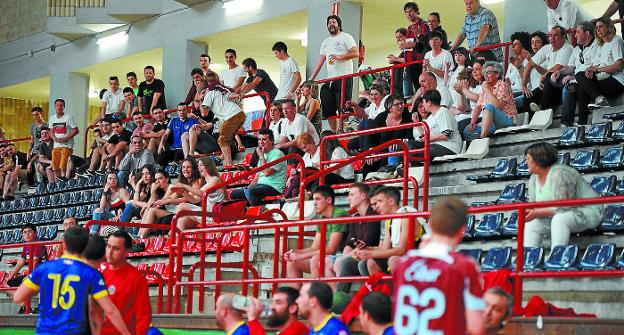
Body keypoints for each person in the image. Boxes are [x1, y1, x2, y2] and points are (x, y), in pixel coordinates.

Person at [13, 227, 131, 335]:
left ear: (64, 246)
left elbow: (18, 297)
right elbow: (109, 310)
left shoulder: (45, 268)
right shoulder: (90, 273)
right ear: (85, 248)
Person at [392, 196, 484, 335]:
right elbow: (476, 327)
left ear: (431, 225)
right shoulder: (464, 266)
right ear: (462, 230)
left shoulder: (403, 264)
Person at [524, 142, 603, 248]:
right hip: (554, 214)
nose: (526, 162)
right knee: (531, 223)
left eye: (529, 159)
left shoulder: (559, 173)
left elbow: (564, 207)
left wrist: (538, 212)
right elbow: (533, 204)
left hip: (586, 211)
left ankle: (556, 258)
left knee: (560, 219)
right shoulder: (534, 178)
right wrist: (529, 212)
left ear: (539, 160)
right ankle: (527, 259)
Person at [284, 185, 349, 287]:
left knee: (315, 259)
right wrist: (296, 252)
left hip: (341, 257)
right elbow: (315, 247)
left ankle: (317, 296)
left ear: (328, 200)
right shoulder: (322, 217)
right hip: (329, 257)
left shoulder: (339, 215)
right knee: (292, 261)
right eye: (314, 199)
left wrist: (303, 255)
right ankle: (294, 300)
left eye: (317, 199)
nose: (314, 203)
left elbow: (332, 249)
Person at [352, 186, 422, 275]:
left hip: (420, 257)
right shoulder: (389, 220)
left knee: (393, 260)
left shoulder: (406, 217)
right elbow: (385, 248)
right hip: (402, 256)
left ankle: (399, 288)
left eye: (379, 202)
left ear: (391, 201)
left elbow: (401, 250)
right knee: (371, 262)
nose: (375, 207)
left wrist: (371, 254)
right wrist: (366, 250)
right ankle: (379, 289)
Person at [309, 15, 359, 133]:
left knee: (343, 107)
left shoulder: (346, 37)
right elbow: (320, 61)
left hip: (344, 77)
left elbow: (355, 52)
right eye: (329, 22)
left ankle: (343, 130)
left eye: (333, 22)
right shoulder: (325, 42)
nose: (331, 24)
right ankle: (334, 131)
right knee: (327, 105)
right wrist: (310, 79)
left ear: (339, 24)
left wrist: (340, 57)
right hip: (330, 79)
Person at [332, 183, 381, 293]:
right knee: (339, 261)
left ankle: (343, 301)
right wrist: (345, 256)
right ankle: (339, 302)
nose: (348, 198)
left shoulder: (373, 214)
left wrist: (345, 258)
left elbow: (367, 242)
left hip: (371, 253)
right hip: (360, 254)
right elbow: (350, 243)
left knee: (346, 262)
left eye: (352, 194)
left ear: (363, 196)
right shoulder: (355, 217)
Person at [101, 230, 151, 335]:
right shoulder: (100, 274)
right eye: (108, 246)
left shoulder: (136, 278)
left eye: (116, 248)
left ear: (127, 251)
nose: (110, 252)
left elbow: (143, 316)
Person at [552, 21, 599, 126]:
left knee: (568, 89)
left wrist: (573, 77)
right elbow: (570, 67)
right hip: (577, 79)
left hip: (590, 78)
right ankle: (567, 124)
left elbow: (595, 67)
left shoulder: (597, 45)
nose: (575, 35)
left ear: (587, 34)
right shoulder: (577, 49)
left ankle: (566, 123)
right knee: (554, 81)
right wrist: (559, 72)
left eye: (578, 32)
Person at [575, 17, 624, 114]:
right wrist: (590, 70)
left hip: (617, 79)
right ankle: (582, 124)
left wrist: (597, 70)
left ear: (608, 27)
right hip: (602, 77)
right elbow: (596, 65)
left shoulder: (616, 40)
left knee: (583, 88)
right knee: (580, 75)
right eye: (596, 28)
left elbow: (619, 65)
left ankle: (600, 100)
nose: (598, 30)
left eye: (601, 26)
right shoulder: (600, 45)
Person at [523, 25, 574, 113]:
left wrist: (544, 76)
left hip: (561, 83)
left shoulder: (568, 48)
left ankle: (543, 108)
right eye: (550, 35)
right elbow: (529, 65)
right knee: (528, 97)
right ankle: (530, 124)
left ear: (563, 37)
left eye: (555, 35)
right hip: (548, 84)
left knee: (550, 75)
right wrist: (523, 85)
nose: (552, 38)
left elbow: (558, 67)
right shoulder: (547, 48)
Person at [201, 73, 247, 166]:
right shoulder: (223, 90)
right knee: (227, 139)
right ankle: (224, 160)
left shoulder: (209, 94)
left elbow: (204, 114)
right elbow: (232, 96)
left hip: (231, 116)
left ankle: (229, 165)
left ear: (207, 82)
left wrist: (201, 99)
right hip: (240, 114)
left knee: (222, 140)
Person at [230, 129, 286, 206]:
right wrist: (247, 188)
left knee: (251, 191)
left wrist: (262, 157)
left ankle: (258, 214)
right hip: (260, 185)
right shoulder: (262, 154)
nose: (261, 142)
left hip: (274, 187)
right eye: (259, 139)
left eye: (264, 139)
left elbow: (266, 173)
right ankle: (249, 212)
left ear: (271, 141)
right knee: (234, 194)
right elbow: (257, 177)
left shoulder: (277, 154)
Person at [464, 61, 518, 140]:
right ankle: (481, 149)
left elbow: (497, 105)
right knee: (467, 131)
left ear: (497, 74)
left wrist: (486, 89)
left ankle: (482, 138)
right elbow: (478, 107)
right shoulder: (486, 87)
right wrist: (472, 123)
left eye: (489, 72)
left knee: (489, 106)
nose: (485, 75)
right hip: (492, 123)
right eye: (485, 72)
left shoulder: (503, 86)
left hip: (508, 119)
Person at [175, 157, 226, 229]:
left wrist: (184, 186)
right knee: (182, 221)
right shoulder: (206, 182)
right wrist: (182, 192)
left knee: (182, 205)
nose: (199, 168)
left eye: (201, 165)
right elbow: (194, 200)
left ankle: (171, 232)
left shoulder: (215, 179)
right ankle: (176, 239)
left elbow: (202, 193)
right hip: (207, 214)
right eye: (198, 166)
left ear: (208, 166)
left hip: (215, 215)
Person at [412, 90, 462, 160]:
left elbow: (446, 135)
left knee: (417, 154)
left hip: (449, 146)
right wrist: (417, 123)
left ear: (429, 103)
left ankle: (407, 168)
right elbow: (425, 136)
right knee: (410, 145)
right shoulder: (430, 117)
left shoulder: (443, 112)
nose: (423, 105)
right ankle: (402, 167)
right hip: (435, 145)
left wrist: (428, 139)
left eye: (423, 102)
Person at [4, 224, 47, 288]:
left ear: (35, 233)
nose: (27, 234)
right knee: (8, 282)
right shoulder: (26, 245)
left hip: (42, 274)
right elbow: (20, 262)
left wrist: (30, 276)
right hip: (33, 274)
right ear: (22, 235)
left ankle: (21, 297)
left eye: (30, 231)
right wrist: (11, 276)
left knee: (25, 284)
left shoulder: (39, 244)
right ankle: (19, 297)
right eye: (25, 232)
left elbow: (35, 261)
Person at [401, 2, 430, 97]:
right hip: (410, 63)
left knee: (424, 89)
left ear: (417, 12)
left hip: (420, 63)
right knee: (418, 90)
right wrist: (404, 46)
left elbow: (427, 43)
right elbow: (411, 45)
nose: (409, 14)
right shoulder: (409, 28)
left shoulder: (424, 25)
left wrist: (411, 45)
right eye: (406, 12)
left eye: (411, 11)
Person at [91, 171, 131, 235]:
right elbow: (101, 208)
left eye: (115, 178)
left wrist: (119, 216)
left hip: (123, 218)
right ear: (106, 181)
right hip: (113, 218)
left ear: (117, 180)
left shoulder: (122, 191)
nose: (113, 180)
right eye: (110, 178)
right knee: (97, 210)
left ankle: (93, 234)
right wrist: (104, 192)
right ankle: (93, 234)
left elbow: (130, 206)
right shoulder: (108, 194)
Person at [49, 98, 79, 181]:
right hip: (56, 146)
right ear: (55, 107)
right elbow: (51, 130)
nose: (59, 107)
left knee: (63, 166)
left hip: (67, 145)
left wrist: (66, 137)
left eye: (61, 105)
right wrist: (54, 138)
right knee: (55, 167)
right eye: (57, 105)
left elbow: (76, 130)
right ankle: (57, 185)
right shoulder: (52, 118)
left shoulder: (68, 117)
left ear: (64, 107)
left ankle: (64, 183)